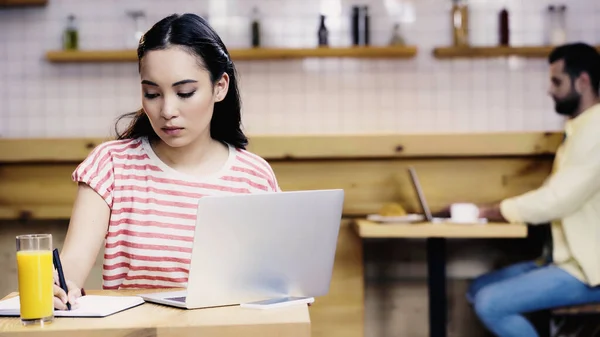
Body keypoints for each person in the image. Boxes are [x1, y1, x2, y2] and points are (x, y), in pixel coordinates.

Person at [52, 13, 281, 310]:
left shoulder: (254, 176)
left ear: (220, 87)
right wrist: (59, 287)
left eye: (185, 93)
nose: (167, 110)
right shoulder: (111, 166)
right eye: (152, 93)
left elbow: (275, 284)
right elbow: (70, 270)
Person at [464, 42, 600, 337]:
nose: (549, 90)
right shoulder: (581, 128)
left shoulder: (597, 130)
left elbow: (557, 200)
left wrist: (493, 211)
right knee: (478, 289)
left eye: (556, 81)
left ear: (583, 81)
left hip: (590, 269)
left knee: (490, 303)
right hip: (565, 260)